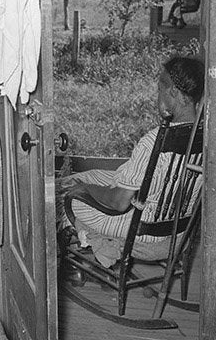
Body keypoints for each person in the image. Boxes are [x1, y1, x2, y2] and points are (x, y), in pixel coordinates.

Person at [62, 55, 205, 268]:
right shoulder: (205, 132)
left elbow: (118, 203)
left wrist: (85, 189)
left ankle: (70, 264)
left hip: (143, 230)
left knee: (65, 198)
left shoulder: (155, 142)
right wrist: (87, 182)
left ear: (173, 93)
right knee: (82, 177)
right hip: (178, 226)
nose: (157, 96)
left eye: (160, 90)